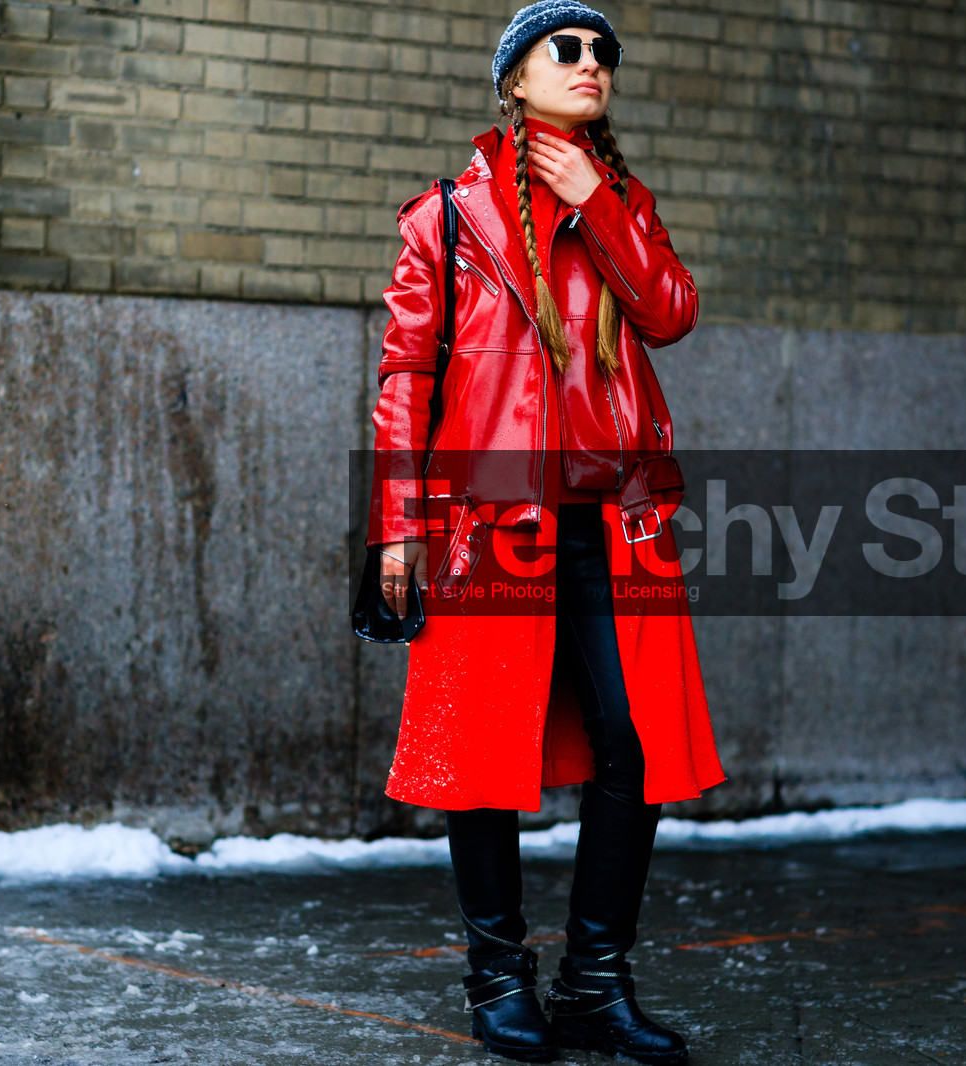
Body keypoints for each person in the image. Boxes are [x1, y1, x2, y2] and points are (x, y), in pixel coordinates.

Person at [364, 2, 727, 1062]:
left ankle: (595, 984)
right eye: (566, 49)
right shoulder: (447, 214)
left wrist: (597, 205)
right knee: (483, 755)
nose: (591, 64)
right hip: (490, 521)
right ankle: (495, 982)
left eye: (603, 53)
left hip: (614, 523)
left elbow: (669, 312)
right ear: (511, 79)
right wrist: (399, 527)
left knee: (635, 749)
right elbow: (407, 377)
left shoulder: (620, 199)